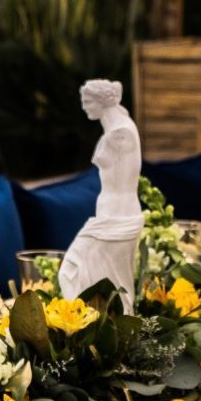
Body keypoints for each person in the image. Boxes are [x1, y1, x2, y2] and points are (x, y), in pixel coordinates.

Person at [57, 79, 143, 311]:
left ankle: (107, 332)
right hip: (111, 216)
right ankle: (97, 333)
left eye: (87, 101)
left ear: (101, 101)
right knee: (105, 282)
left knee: (75, 271)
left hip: (117, 218)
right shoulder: (119, 128)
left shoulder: (120, 133)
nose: (84, 107)